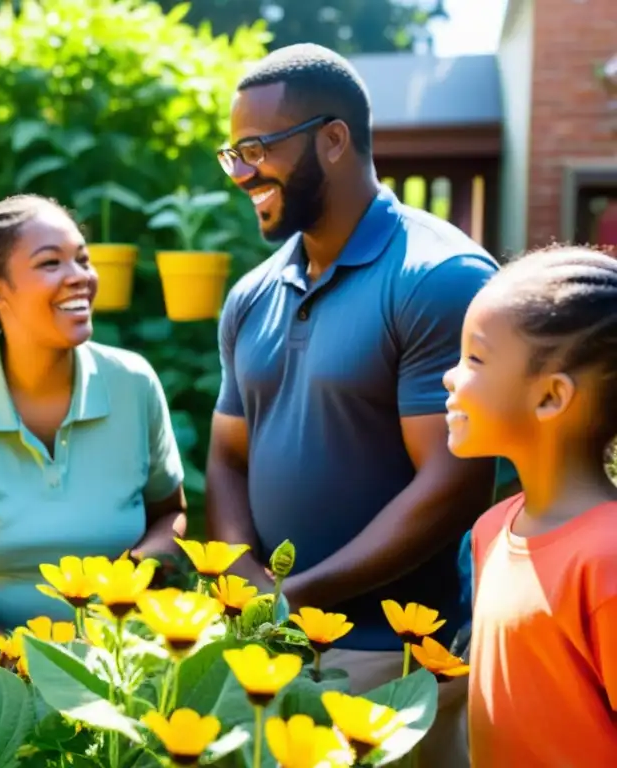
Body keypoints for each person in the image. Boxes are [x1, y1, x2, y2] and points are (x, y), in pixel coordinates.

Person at [206, 44, 498, 767]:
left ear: (333, 140)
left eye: (257, 149)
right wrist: (246, 579)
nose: (242, 172)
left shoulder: (438, 278)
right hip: (272, 648)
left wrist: (298, 593)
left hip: (394, 661)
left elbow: (455, 482)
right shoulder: (251, 295)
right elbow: (227, 451)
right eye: (232, 153)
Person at [0, 194, 187, 645]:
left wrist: (140, 574)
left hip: (114, 664)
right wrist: (14, 668)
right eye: (51, 263)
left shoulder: (132, 385)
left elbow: (171, 513)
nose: (79, 277)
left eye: (82, 259)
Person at [445, 246, 617, 767]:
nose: (452, 376)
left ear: (550, 398)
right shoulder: (490, 530)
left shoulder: (606, 560)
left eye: (474, 358)